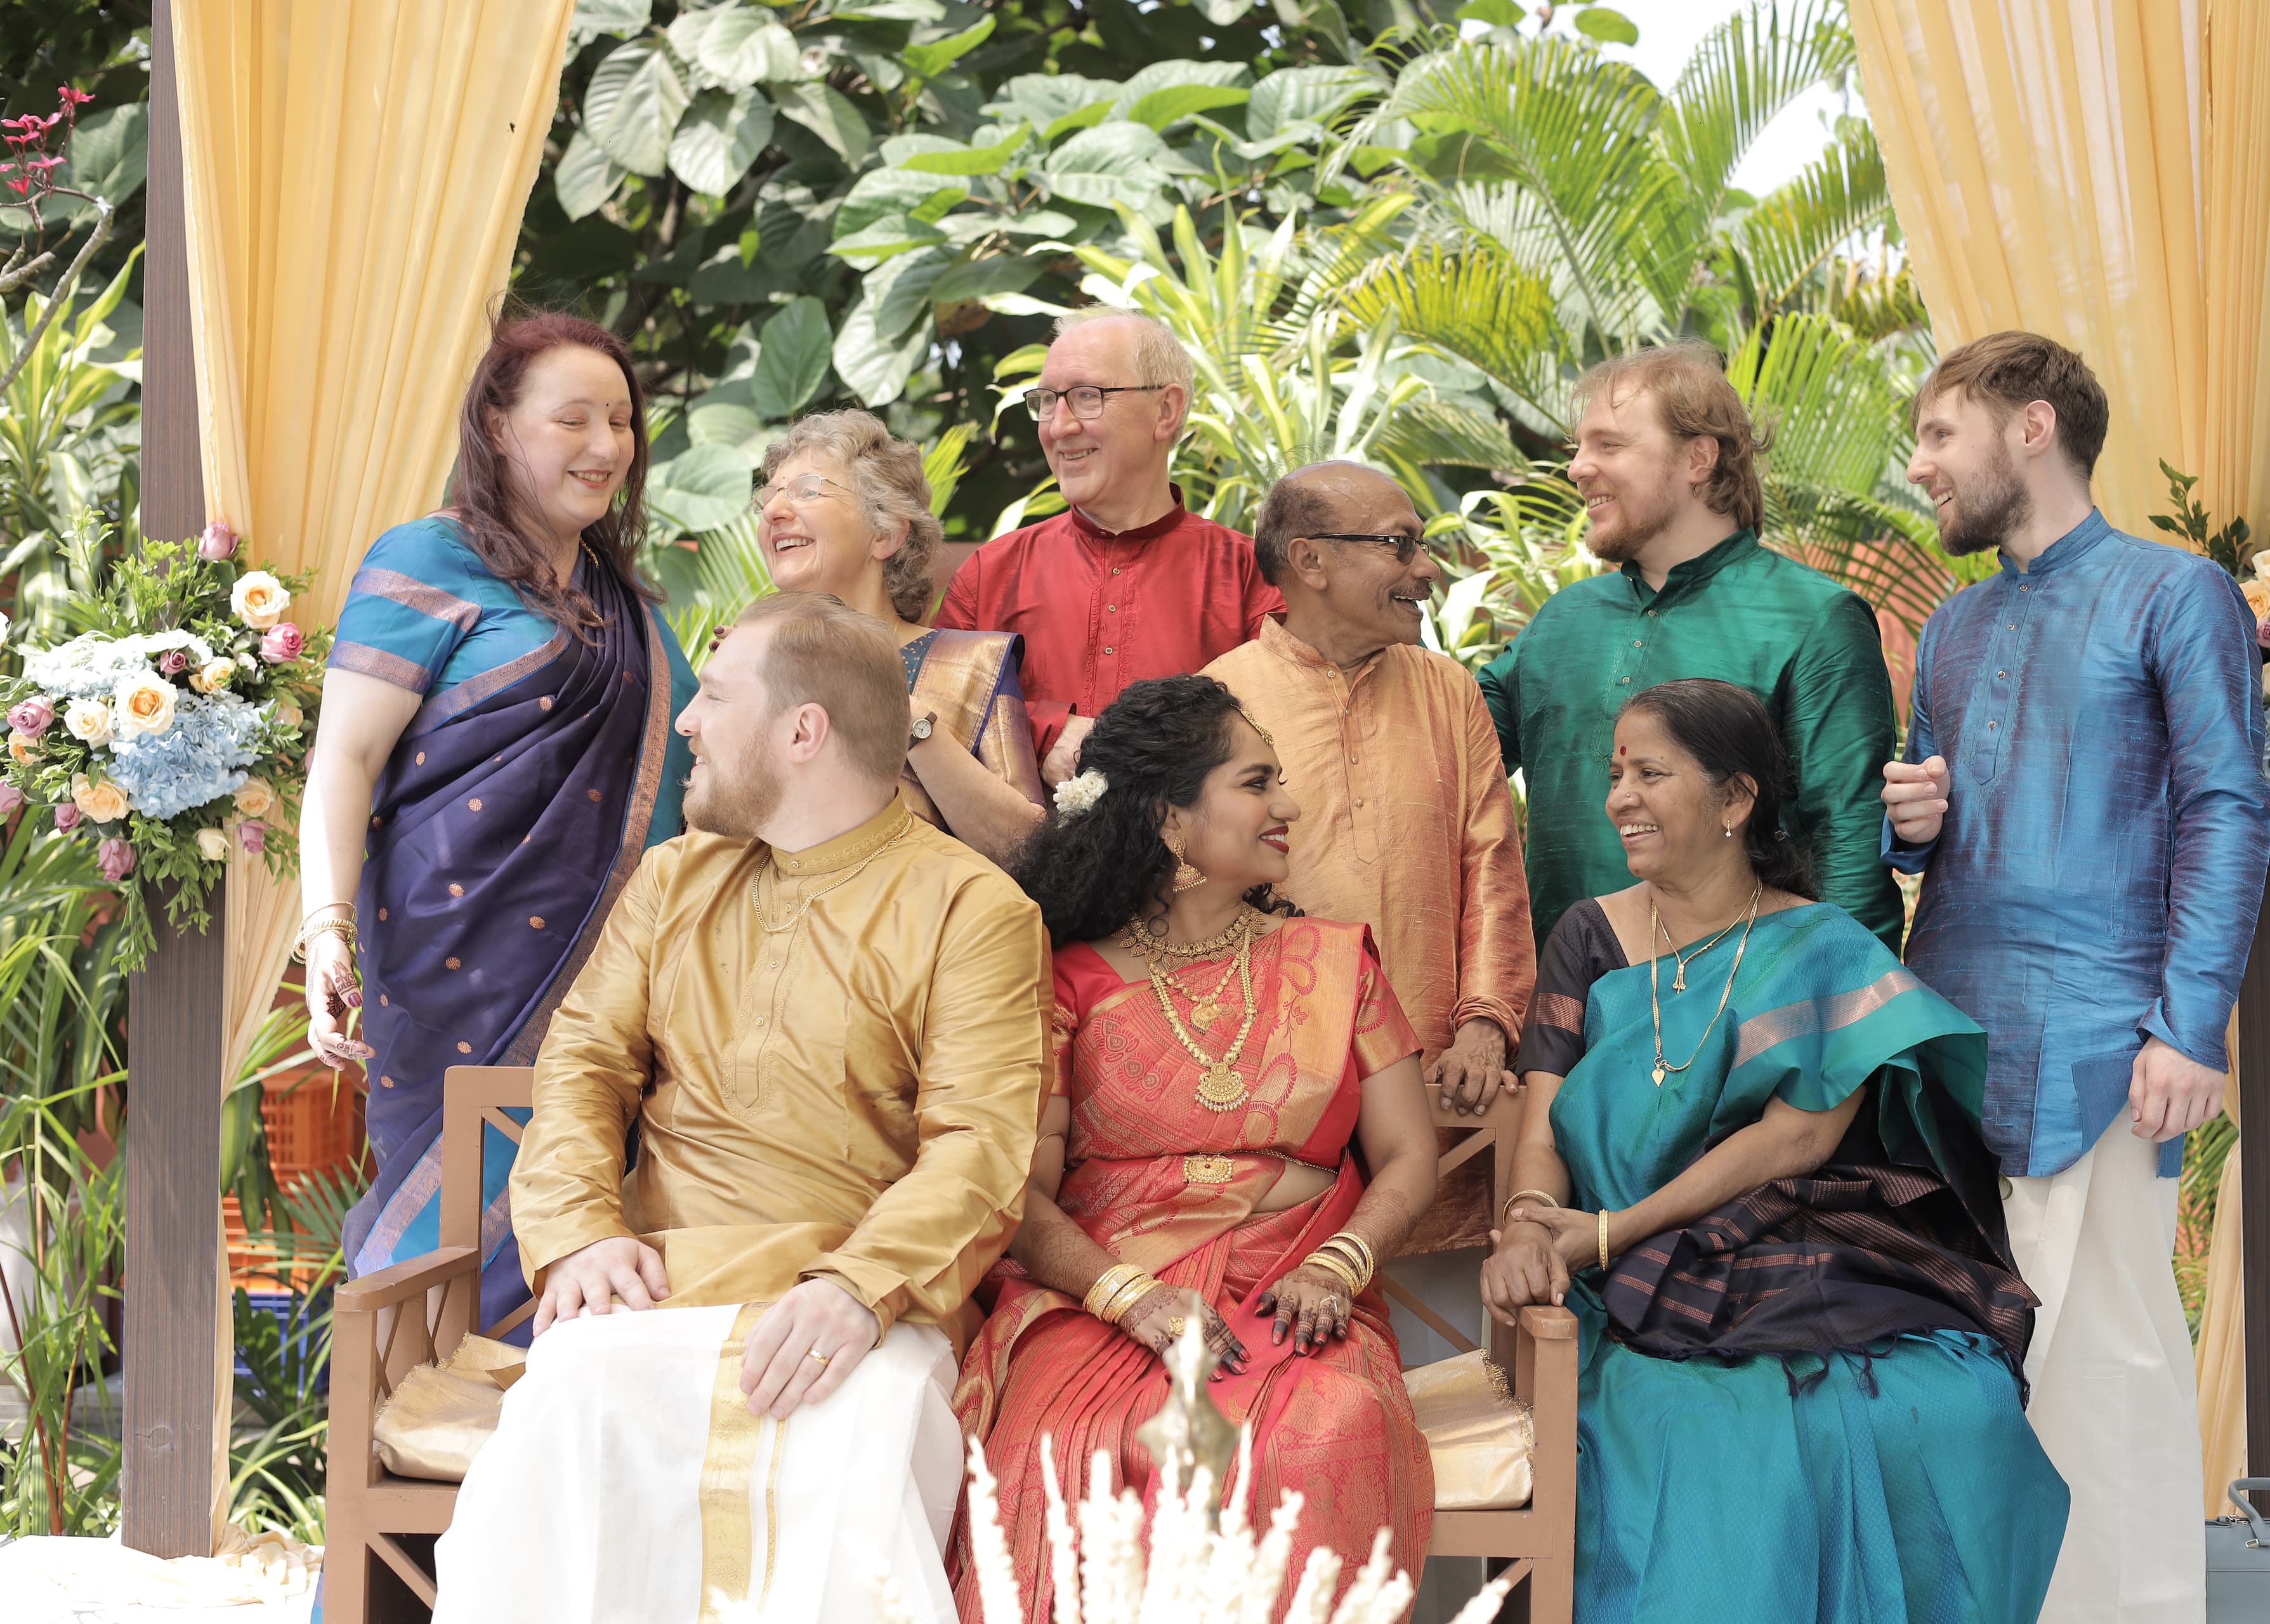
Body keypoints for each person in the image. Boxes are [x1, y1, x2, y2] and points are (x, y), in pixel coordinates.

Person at [432, 593, 1052, 1623]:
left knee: (866, 1426)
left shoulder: (972, 909)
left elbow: (981, 1148)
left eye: (713, 698)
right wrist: (582, 1235)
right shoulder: (676, 880)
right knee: (570, 1405)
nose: (685, 723)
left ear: (801, 732)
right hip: (655, 1288)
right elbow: (583, 1066)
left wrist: (860, 1287)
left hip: (854, 1306)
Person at [1484, 678, 2067, 1623]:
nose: (1617, 798)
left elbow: (1798, 1137)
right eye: (1614, 774)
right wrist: (1526, 1225)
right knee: (1701, 1427)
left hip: (1772, 1237)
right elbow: (1543, 1120)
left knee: (1954, 1405)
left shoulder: (1821, 946)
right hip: (1615, 1279)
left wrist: (1606, 1228)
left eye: (1648, 773)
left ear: (1735, 799)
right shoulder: (1589, 936)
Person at [1881, 331, 2270, 1624]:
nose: (1922, 461)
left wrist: (2190, 1023)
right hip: (1949, 1037)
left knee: (2107, 1357)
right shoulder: (1953, 621)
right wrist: (1913, 823)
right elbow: (1937, 816)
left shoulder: (2175, 592)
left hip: (2108, 1042)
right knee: (1970, 1363)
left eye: (1942, 434)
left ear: (2031, 428)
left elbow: (2227, 806)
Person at [949, 676, 1439, 1622]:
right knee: (1065, 1455)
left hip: (1297, 1293)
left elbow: (1409, 1155)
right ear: (1173, 819)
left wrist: (1340, 1265)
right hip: (1107, 1295)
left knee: (1322, 1439)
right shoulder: (1064, 979)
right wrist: (1129, 1298)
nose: (1288, 806)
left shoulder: (1338, 962)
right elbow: (1021, 1192)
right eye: (1258, 783)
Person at [298, 313, 697, 1333]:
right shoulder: (429, 559)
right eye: (573, 420)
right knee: (443, 1226)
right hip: (450, 963)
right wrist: (325, 928)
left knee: (585, 1224)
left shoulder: (629, 604)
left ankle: (544, 1457)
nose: (607, 447)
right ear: (496, 424)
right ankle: (399, 1445)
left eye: (620, 421)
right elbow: (344, 757)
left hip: (619, 984)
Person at [1202, 459, 1532, 1330]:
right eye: (1400, 545)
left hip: (1448, 1100)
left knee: (1455, 1376)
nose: (1426, 569)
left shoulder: (1450, 691)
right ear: (1309, 561)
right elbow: (1197, 908)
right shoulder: (1217, 700)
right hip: (1280, 1115)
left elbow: (1491, 868)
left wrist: (1485, 1026)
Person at [1476, 343, 1905, 952]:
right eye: (1578, 447)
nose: (1577, 468)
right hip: (1558, 1018)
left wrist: (1849, 1029)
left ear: (1699, 457)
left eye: (1609, 445)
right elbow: (1447, 749)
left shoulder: (1813, 618)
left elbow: (1851, 849)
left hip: (1736, 1021)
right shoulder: (1562, 619)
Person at [935, 309, 1283, 783]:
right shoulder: (989, 575)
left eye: (1086, 397)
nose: (1059, 427)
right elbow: (933, 716)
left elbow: (1281, 734)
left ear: (1166, 411)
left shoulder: (1250, 576)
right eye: (1047, 401)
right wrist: (1048, 733)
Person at [754, 408, 1044, 863]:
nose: (772, 511)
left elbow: (1028, 853)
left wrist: (906, 716)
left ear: (885, 533)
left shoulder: (973, 665)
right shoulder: (749, 665)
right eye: (766, 498)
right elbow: (705, 839)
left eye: (806, 491)